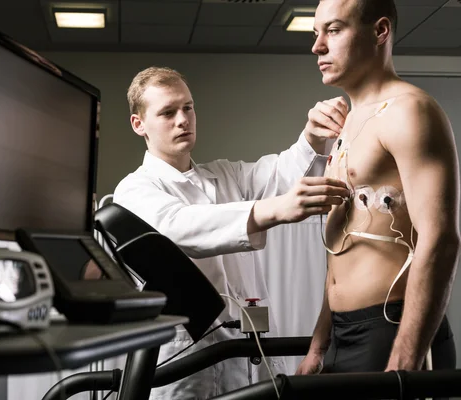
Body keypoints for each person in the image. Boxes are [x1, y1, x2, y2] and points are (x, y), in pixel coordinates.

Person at [112, 66, 351, 399]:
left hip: (248, 357)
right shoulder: (133, 190)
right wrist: (274, 209)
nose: (183, 119)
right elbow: (176, 228)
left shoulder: (224, 175)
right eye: (168, 112)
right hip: (185, 363)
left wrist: (312, 136)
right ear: (139, 125)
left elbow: (282, 172)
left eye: (188, 107)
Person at [297, 0, 459, 378]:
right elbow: (342, 248)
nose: (317, 46)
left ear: (380, 31)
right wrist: (319, 345)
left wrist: (403, 362)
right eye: (316, 33)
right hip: (343, 333)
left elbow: (441, 240)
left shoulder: (410, 111)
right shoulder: (348, 123)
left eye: (333, 30)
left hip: (392, 329)